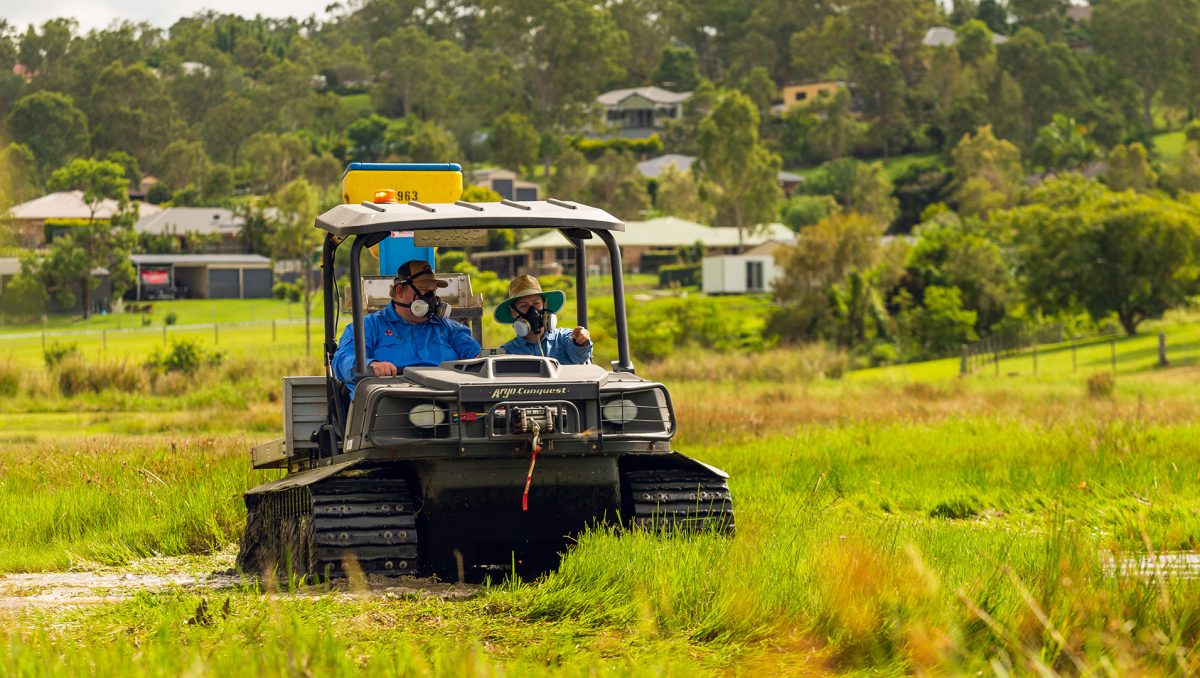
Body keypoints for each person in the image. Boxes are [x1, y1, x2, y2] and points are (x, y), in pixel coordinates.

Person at [333, 259, 480, 397]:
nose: (430, 299)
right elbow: (341, 361)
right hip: (390, 406)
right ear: (399, 291)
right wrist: (371, 365)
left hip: (446, 402)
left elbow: (479, 360)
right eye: (423, 291)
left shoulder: (451, 329)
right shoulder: (369, 326)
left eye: (433, 292)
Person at [495, 274, 592, 364]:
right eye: (523, 305)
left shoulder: (564, 338)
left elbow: (580, 356)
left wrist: (580, 342)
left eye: (536, 303)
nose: (532, 310)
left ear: (544, 304)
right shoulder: (507, 352)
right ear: (513, 312)